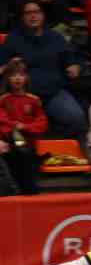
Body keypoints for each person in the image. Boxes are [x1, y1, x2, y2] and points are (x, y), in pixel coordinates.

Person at [0, 0, 85, 137]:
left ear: (43, 15)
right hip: (22, 97)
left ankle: (56, 146)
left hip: (54, 93)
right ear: (22, 17)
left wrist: (75, 66)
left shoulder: (56, 37)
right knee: (17, 129)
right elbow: (1, 67)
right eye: (28, 13)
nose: (33, 16)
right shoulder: (13, 39)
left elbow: (72, 58)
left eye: (36, 12)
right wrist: (9, 66)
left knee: (77, 119)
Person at [0, 60, 45, 194]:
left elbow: (41, 123)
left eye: (21, 75)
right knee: (19, 148)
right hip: (9, 143)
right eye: (13, 75)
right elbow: (2, 121)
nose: (17, 78)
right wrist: (15, 128)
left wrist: (24, 127)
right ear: (7, 79)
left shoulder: (34, 100)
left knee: (25, 153)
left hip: (29, 143)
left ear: (26, 78)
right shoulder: (3, 100)